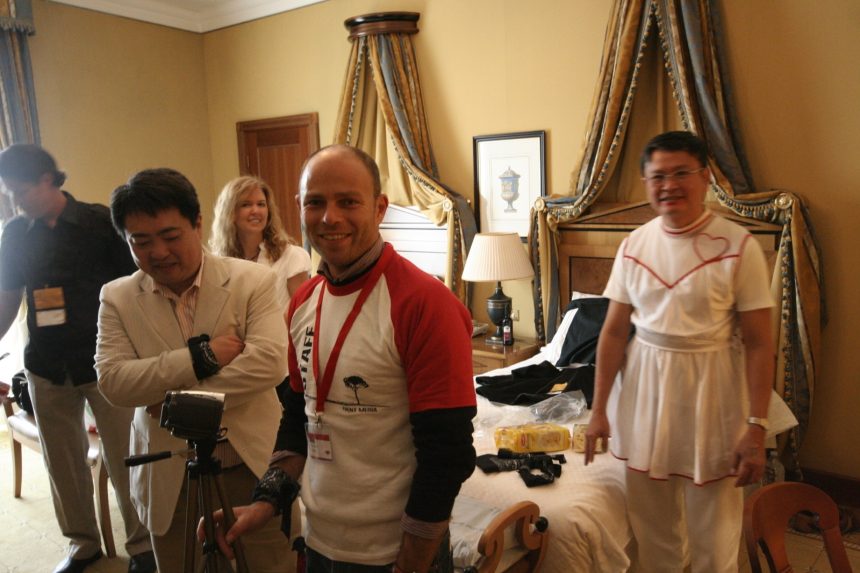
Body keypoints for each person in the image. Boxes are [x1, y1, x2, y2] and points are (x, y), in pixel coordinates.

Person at [203, 144, 478, 573]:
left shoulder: (424, 303)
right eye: (315, 203)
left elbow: (448, 454)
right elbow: (299, 416)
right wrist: (265, 502)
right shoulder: (303, 302)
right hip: (319, 542)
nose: (330, 218)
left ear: (379, 208)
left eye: (348, 202)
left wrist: (412, 563)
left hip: (394, 554)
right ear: (299, 207)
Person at [584, 131, 775, 572]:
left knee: (714, 532)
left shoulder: (738, 246)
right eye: (658, 176)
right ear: (646, 183)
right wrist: (599, 411)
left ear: (705, 178)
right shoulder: (633, 245)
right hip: (644, 391)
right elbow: (613, 332)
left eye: (681, 173)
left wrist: (756, 427)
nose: (669, 185)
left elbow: (760, 343)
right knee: (653, 529)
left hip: (714, 393)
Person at [94, 168, 292, 572]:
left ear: (197, 224)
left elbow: (271, 362)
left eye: (170, 236)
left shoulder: (252, 280)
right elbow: (114, 381)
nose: (158, 252)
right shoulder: (117, 298)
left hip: (251, 465)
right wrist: (201, 358)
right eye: (141, 242)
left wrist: (171, 403)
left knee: (271, 565)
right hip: (171, 477)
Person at [0, 144, 154, 573]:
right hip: (46, 365)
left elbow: (137, 289)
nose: (15, 201)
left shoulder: (99, 223)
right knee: (63, 465)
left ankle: (143, 546)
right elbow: (8, 298)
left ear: (47, 179)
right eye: (9, 193)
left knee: (126, 458)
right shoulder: (15, 234)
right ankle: (82, 545)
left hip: (106, 362)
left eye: (20, 191)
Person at [209, 175, 311, 315]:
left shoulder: (292, 256)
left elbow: (302, 311)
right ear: (230, 213)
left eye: (261, 204)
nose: (256, 211)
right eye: (246, 204)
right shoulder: (218, 263)